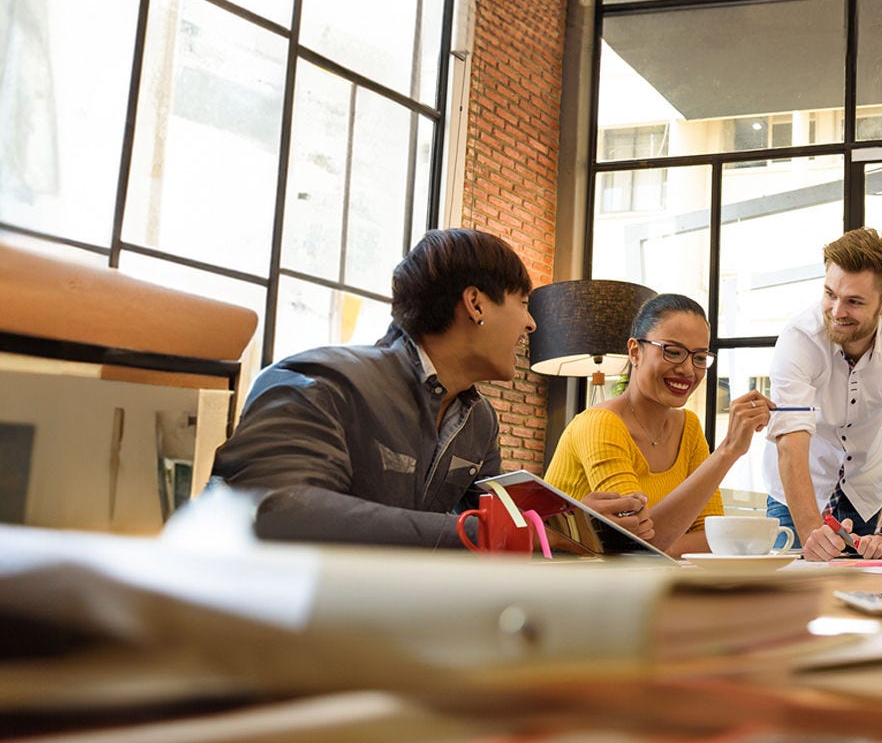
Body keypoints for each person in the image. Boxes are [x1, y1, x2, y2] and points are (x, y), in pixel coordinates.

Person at [212, 228, 654, 547]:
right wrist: (491, 533)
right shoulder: (319, 382)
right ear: (475, 303)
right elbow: (274, 509)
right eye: (523, 303)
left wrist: (574, 522)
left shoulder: (479, 420)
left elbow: (501, 518)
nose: (531, 323)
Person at [544, 293, 771, 557]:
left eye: (699, 358)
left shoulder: (689, 427)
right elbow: (634, 541)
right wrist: (728, 450)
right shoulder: (601, 424)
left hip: (642, 584)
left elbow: (711, 536)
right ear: (634, 351)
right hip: (572, 586)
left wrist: (660, 545)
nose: (688, 370)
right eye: (672, 352)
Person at [763, 227, 882, 562]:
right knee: (794, 604)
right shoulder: (799, 337)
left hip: (865, 493)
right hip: (798, 492)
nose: (837, 310)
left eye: (854, 301)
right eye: (830, 294)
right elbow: (791, 443)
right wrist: (813, 532)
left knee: (873, 602)